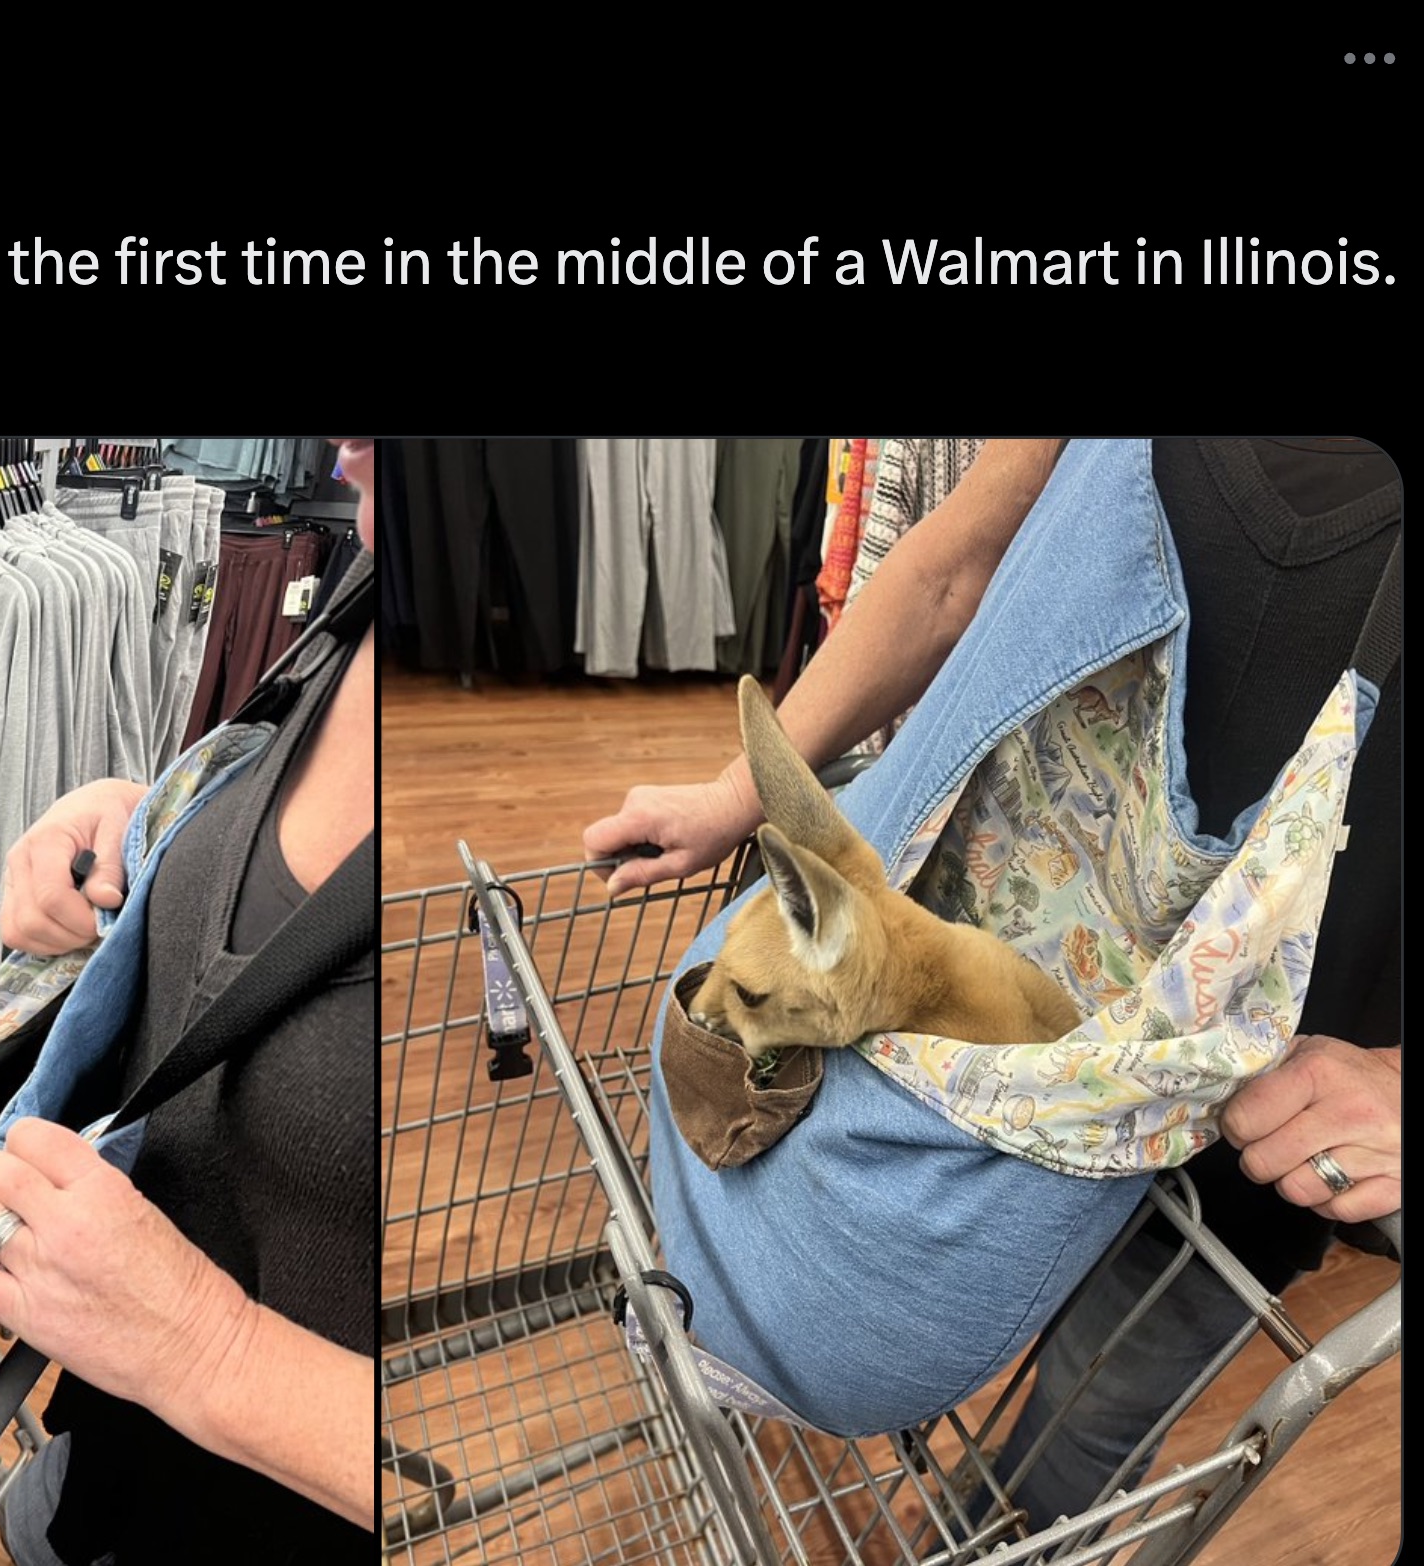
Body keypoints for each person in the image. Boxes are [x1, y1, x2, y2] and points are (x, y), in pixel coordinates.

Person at [584, 437, 1401, 1526]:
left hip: (1290, 1104)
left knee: (1083, 1419)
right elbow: (946, 570)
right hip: (981, 936)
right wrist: (744, 788)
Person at [0, 438, 377, 1564]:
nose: (342, 449)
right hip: (118, 1469)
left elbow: (535, 1404)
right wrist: (151, 828)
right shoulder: (359, 598)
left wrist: (208, 1348)